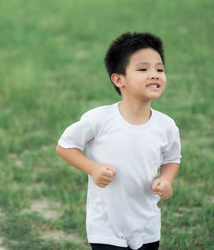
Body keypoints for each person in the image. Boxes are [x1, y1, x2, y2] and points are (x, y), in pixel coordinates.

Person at [56, 32, 181, 250]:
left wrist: (167, 179)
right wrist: (93, 168)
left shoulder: (166, 125)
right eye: (143, 69)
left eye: (159, 69)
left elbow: (172, 158)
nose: (154, 74)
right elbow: (65, 146)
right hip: (106, 227)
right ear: (118, 79)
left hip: (147, 225)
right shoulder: (99, 119)